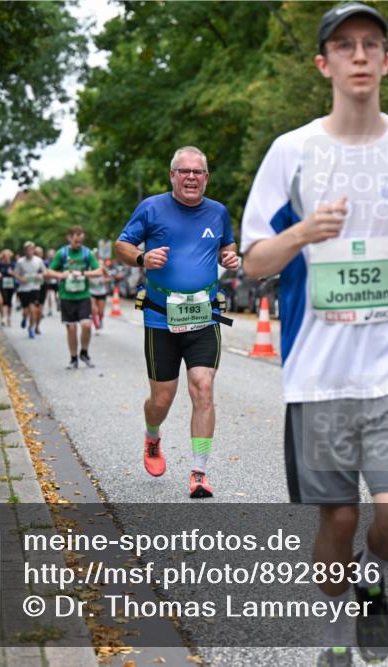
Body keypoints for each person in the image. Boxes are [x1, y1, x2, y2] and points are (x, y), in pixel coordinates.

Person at [241, 5, 388, 664]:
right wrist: (303, 233)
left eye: (371, 45)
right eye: (344, 45)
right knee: (339, 516)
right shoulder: (291, 153)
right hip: (318, 372)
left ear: (386, 61)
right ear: (324, 63)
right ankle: (336, 627)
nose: (359, 55)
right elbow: (253, 260)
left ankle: (373, 573)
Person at [115, 146, 237, 497]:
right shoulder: (152, 207)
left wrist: (231, 259)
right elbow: (121, 245)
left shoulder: (218, 212)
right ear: (172, 176)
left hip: (204, 315)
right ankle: (152, 435)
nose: (191, 178)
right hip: (160, 318)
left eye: (198, 172)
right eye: (184, 171)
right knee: (162, 399)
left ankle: (199, 472)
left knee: (203, 386)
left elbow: (227, 248)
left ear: (206, 178)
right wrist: (141, 256)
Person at [48, 226, 101, 369]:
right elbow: (49, 271)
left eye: (81, 239)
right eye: (76, 240)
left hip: (83, 296)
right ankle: (73, 358)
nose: (79, 242)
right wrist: (61, 275)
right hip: (66, 296)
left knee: (86, 325)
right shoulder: (62, 253)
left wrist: (83, 273)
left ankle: (84, 352)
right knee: (71, 328)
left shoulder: (87, 253)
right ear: (69, 237)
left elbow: (99, 271)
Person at [13, 241, 46, 338]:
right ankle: (24, 318)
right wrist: (20, 278)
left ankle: (31, 328)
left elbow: (45, 271)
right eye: (27, 250)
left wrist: (40, 275)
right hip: (24, 289)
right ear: (25, 251)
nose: (29, 252)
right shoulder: (20, 261)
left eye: (31, 250)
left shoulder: (38, 260)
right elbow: (15, 273)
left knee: (33, 310)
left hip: (35, 287)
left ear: (33, 250)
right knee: (26, 310)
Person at [0, 250, 17, 326]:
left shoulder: (13, 264)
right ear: (3, 257)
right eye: (5, 256)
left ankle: (9, 318)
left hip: (11, 284)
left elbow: (17, 274)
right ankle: (3, 317)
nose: (6, 257)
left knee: (9, 302)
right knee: (3, 301)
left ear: (10, 256)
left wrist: (12, 273)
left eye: (8, 256)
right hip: (2, 284)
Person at [88, 260, 110, 330]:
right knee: (93, 309)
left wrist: (104, 281)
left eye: (101, 264)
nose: (100, 265)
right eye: (98, 264)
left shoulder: (103, 270)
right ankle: (96, 323)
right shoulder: (90, 270)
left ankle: (100, 319)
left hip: (101, 293)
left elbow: (109, 278)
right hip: (92, 292)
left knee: (100, 312)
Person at [44, 247, 60, 313]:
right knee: (49, 295)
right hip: (49, 280)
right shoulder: (46, 262)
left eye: (52, 254)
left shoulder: (57, 262)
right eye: (50, 254)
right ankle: (50, 309)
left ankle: (58, 303)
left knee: (57, 294)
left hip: (56, 280)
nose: (51, 255)